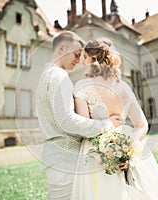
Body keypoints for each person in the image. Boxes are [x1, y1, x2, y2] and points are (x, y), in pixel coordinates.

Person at [70, 39, 158, 199]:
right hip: (123, 142)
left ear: (95, 60)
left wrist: (119, 150)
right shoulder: (124, 87)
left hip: (94, 152)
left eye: (86, 57)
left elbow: (85, 128)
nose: (83, 62)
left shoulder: (82, 86)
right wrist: (127, 149)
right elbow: (142, 125)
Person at [36, 31, 123, 200]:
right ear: (61, 48)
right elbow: (67, 121)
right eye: (76, 55)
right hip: (64, 159)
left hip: (58, 158)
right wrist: (107, 125)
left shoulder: (48, 73)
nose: (78, 61)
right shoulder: (58, 75)